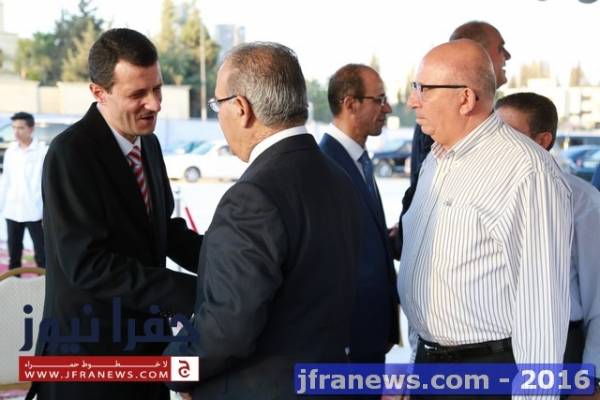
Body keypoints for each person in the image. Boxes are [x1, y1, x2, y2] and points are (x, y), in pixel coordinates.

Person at [164, 42, 361, 400]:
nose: (219, 118)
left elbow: (227, 330)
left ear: (241, 108)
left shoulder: (252, 196)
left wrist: (175, 368)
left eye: (217, 105)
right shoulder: (338, 176)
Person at [28, 28, 202, 400]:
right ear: (98, 92)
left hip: (145, 348)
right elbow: (88, 265)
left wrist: (228, 263)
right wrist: (192, 292)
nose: (154, 104)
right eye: (138, 94)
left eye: (157, 89)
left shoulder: (148, 144)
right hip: (89, 359)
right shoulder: (70, 154)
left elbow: (162, 230)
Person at [398, 40, 572, 398]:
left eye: (424, 89)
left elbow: (542, 311)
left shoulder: (527, 171)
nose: (413, 101)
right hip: (430, 367)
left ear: (465, 98)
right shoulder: (435, 160)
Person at [495, 92, 600, 398]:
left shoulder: (583, 201)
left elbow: (598, 299)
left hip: (561, 350)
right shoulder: (483, 196)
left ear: (542, 141)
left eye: (510, 135)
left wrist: (592, 378)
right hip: (493, 352)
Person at [395, 21, 511, 257]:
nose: (507, 56)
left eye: (425, 89)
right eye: (501, 48)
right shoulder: (436, 139)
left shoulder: (528, 171)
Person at [319, 64, 399, 364]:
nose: (387, 108)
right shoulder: (323, 165)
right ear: (350, 103)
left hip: (371, 336)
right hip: (346, 345)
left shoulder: (359, 160)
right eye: (379, 100)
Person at [0, 112, 46, 270]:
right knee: (14, 256)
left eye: (20, 128)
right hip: (12, 211)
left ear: (31, 129)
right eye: (13, 128)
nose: (16, 132)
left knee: (42, 256)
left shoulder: (42, 151)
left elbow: (46, 183)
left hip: (35, 212)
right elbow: (6, 181)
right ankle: (14, 283)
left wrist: (46, 210)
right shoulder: (11, 151)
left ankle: (44, 284)